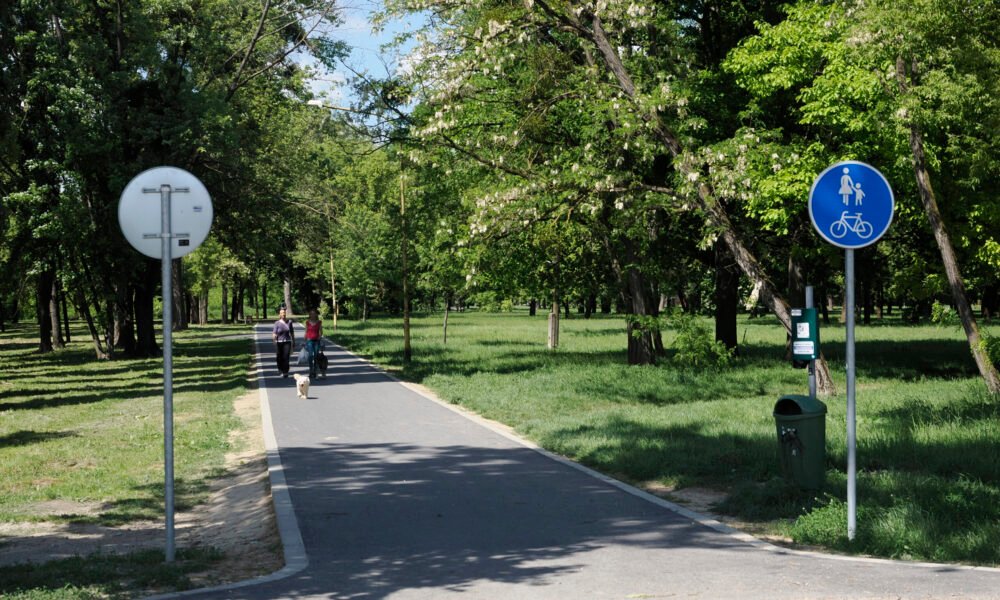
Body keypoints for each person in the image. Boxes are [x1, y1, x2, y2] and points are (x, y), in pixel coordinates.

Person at [272, 307, 295, 377]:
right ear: (280, 314)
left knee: (286, 357)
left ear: (286, 314)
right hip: (279, 342)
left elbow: (292, 332)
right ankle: (280, 368)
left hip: (287, 342)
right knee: (279, 357)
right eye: (282, 313)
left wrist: (293, 341)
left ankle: (285, 372)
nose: (283, 314)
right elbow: (274, 333)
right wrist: (274, 340)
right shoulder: (277, 323)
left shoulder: (289, 322)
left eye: (284, 313)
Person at [304, 309, 323, 379]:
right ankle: (311, 370)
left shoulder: (319, 322)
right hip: (309, 341)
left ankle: (315, 370)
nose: (312, 315)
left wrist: (320, 337)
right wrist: (304, 341)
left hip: (316, 341)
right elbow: (306, 332)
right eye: (311, 314)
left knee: (316, 356)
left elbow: (321, 332)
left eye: (314, 314)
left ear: (316, 315)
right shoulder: (307, 322)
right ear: (309, 315)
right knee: (310, 356)